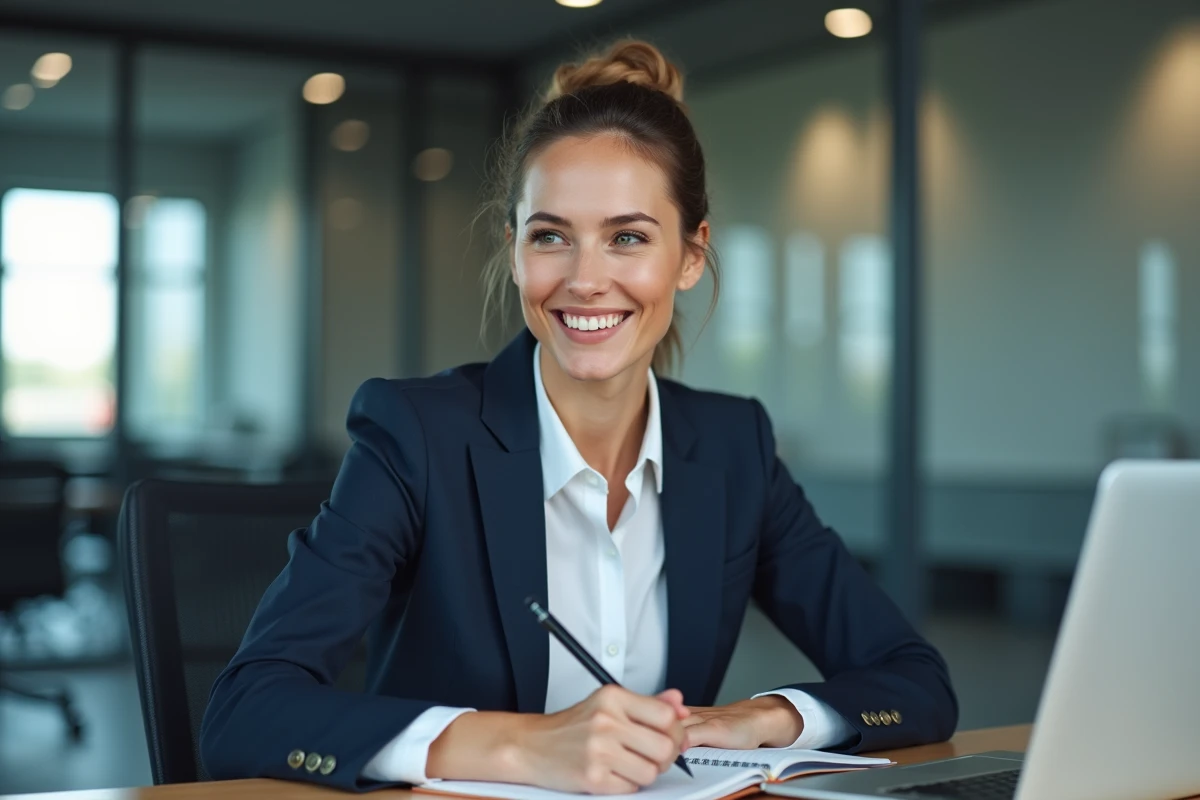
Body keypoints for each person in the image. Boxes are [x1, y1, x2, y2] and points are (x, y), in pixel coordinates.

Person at [200, 39, 957, 795]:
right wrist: (519, 746)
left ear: (691, 256)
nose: (586, 280)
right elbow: (246, 710)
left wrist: (762, 719)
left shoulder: (734, 448)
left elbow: (914, 679)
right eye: (551, 237)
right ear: (515, 252)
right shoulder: (417, 436)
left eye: (627, 238)